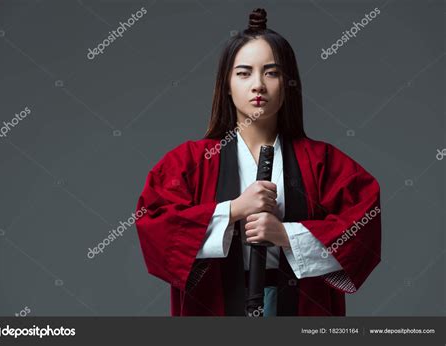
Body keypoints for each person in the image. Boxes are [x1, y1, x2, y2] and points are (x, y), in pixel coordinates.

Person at [135, 8, 381, 316]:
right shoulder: (188, 161)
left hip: (298, 305)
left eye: (271, 72)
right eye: (243, 72)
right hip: (217, 305)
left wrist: (285, 235)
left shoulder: (323, 161)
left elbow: (362, 225)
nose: (258, 85)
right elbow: (156, 227)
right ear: (226, 84)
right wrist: (233, 210)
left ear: (288, 83)